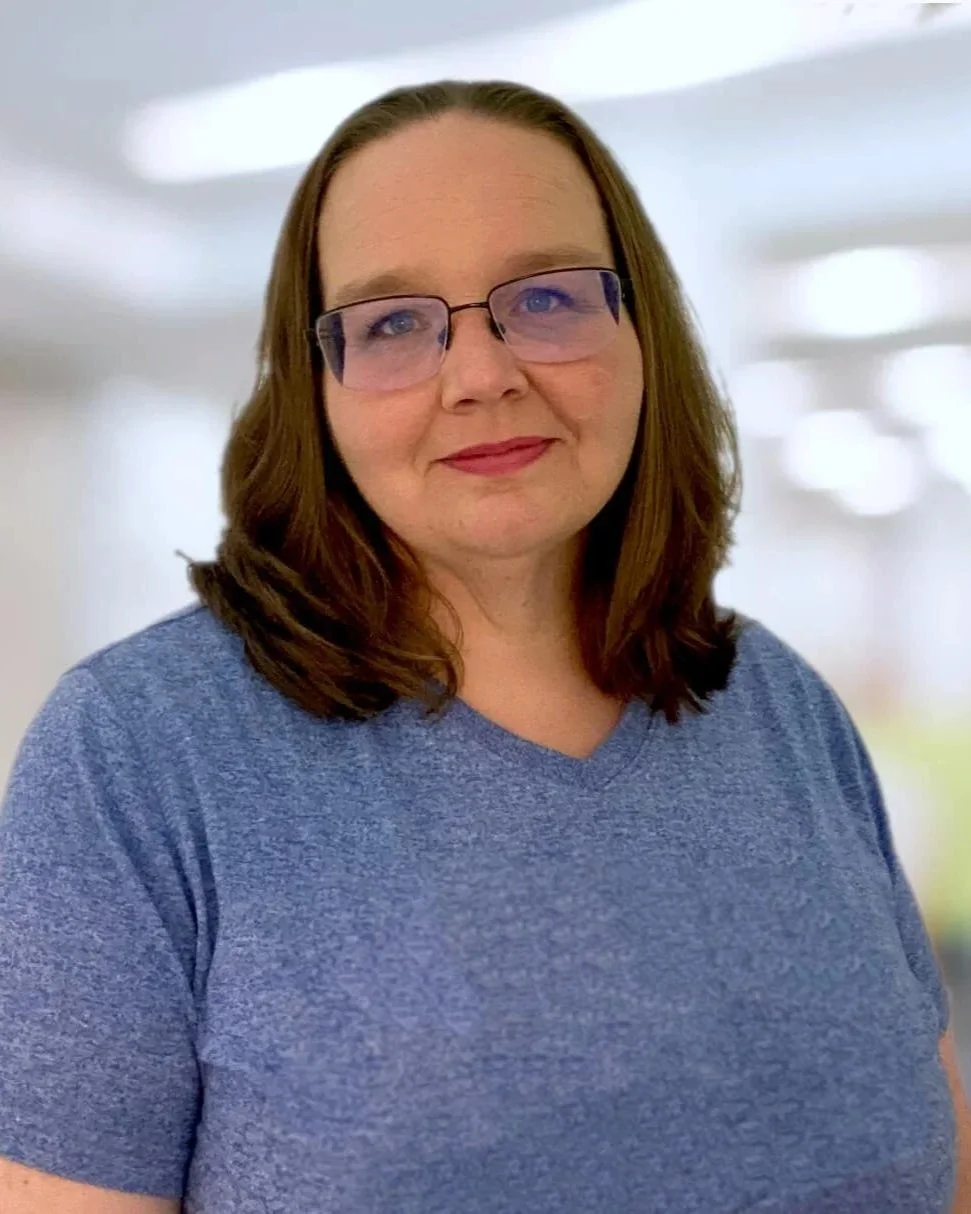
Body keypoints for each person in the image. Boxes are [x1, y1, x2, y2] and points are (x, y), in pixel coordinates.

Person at [0, 79, 968, 1214]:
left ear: (640, 334)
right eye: (392, 322)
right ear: (317, 391)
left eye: (548, 298)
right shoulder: (139, 754)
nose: (480, 373)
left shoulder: (780, 706)